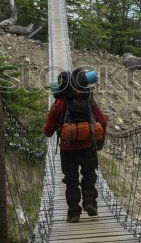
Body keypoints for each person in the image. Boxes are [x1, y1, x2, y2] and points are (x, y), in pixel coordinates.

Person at [43, 68, 107, 222]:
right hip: (88, 146)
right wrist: (99, 142)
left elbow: (48, 129)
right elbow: (103, 121)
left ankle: (73, 212)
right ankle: (90, 201)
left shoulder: (59, 102)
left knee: (71, 180)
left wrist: (48, 132)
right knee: (90, 174)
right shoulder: (88, 99)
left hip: (68, 148)